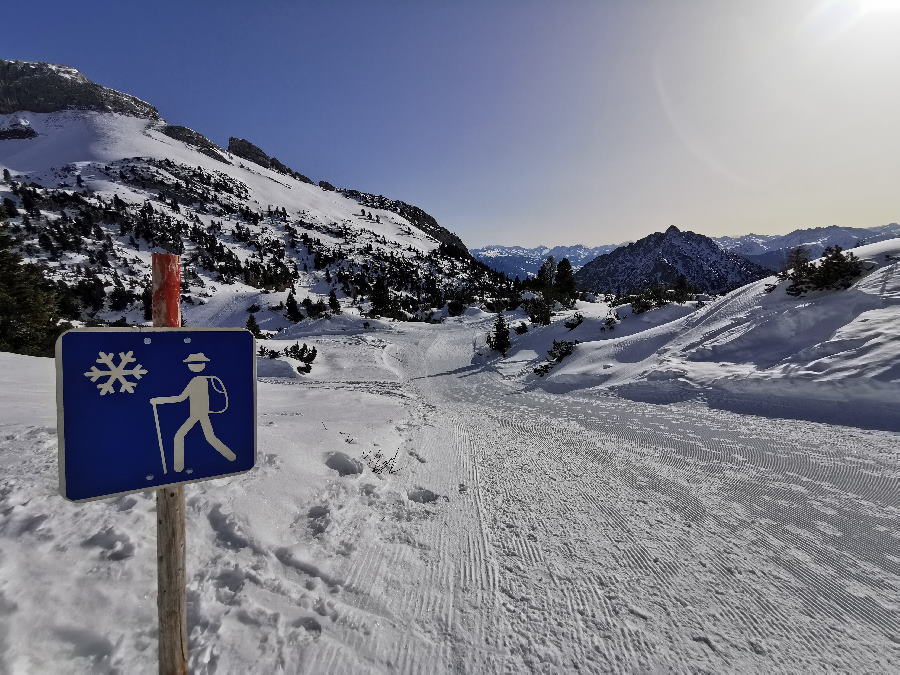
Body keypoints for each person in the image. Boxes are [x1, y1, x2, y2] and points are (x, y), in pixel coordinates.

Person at [150, 353, 236, 472]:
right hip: (201, 414)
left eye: (192, 364)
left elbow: (181, 398)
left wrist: (159, 400)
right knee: (210, 438)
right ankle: (231, 457)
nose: (191, 366)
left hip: (197, 414)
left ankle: (178, 468)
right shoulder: (203, 380)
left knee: (179, 436)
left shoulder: (196, 381)